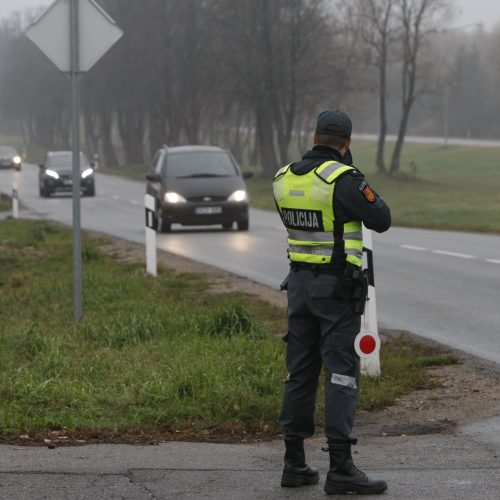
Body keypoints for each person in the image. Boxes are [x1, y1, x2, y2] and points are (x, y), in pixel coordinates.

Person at [273, 110, 391, 495]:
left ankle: (294, 463)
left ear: (314, 135)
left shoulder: (284, 177)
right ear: (347, 143)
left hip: (299, 287)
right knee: (341, 374)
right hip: (336, 291)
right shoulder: (343, 179)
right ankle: (340, 467)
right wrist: (351, 171)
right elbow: (381, 217)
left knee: (300, 372)